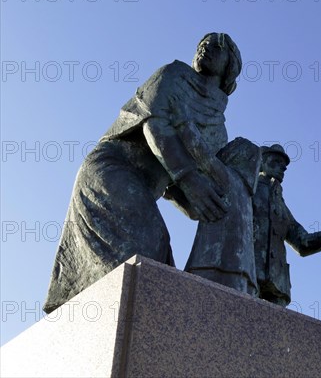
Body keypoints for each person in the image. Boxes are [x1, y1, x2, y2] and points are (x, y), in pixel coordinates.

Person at [43, 33, 242, 313]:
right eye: (202, 44)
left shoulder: (218, 131)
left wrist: (206, 204)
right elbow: (155, 125)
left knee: (159, 254)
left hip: (146, 189)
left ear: (231, 66)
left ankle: (130, 336)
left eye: (216, 46)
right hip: (112, 169)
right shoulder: (173, 75)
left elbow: (182, 192)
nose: (205, 47)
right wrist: (190, 178)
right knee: (147, 244)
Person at [252, 145, 321, 306]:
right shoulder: (248, 188)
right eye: (275, 162)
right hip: (249, 272)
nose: (281, 168)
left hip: (277, 284)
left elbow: (302, 242)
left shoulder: (281, 205)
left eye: (283, 167)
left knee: (279, 329)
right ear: (261, 162)